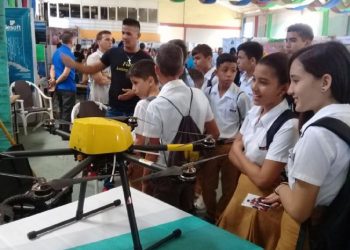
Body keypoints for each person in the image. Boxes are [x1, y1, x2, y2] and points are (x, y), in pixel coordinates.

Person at [263, 41, 350, 250]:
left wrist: (283, 188)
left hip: (316, 231)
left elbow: (300, 210)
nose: (290, 89)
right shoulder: (345, 115)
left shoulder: (318, 134)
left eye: (295, 80)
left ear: (325, 82)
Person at [218, 52, 299, 250]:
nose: (254, 87)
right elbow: (231, 154)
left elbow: (265, 179)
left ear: (284, 88)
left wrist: (238, 151)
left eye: (263, 82)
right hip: (242, 190)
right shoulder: (255, 110)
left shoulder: (288, 124)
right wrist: (248, 164)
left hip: (265, 199)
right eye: (254, 79)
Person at [142, 43, 219, 212]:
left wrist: (145, 180)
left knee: (163, 219)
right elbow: (214, 133)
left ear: (156, 70)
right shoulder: (199, 95)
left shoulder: (156, 106)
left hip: (163, 174)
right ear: (182, 68)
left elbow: (153, 150)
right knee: (185, 215)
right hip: (190, 170)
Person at [61, 18, 151, 117]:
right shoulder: (113, 53)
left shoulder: (146, 58)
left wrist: (134, 92)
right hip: (114, 109)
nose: (124, 37)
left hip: (136, 111)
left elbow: (151, 85)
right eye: (123, 33)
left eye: (128, 34)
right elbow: (92, 69)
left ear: (138, 36)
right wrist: (74, 64)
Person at [198, 53, 251, 223]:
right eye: (225, 70)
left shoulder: (240, 96)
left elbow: (246, 122)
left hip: (230, 146)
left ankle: (221, 215)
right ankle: (210, 214)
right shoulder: (208, 92)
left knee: (230, 186)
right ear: (217, 70)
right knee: (208, 184)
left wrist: (238, 141)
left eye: (233, 70)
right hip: (211, 144)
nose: (229, 74)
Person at [127, 59, 159, 191]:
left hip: (143, 158)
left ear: (150, 81)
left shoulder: (142, 105)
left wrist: (130, 162)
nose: (133, 88)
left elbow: (139, 140)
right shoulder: (164, 100)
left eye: (135, 83)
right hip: (163, 159)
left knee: (138, 193)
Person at [50, 31, 76, 132]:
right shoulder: (69, 54)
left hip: (59, 88)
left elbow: (52, 68)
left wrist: (53, 80)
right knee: (67, 111)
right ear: (71, 40)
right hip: (68, 87)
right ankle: (65, 133)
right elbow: (65, 74)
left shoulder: (56, 52)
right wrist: (55, 82)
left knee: (61, 109)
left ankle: (61, 129)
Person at [86, 30, 112, 104]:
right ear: (98, 42)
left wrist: (105, 75)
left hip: (111, 100)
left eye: (111, 40)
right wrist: (115, 80)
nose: (110, 42)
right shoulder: (93, 57)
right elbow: (100, 80)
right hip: (98, 101)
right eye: (107, 39)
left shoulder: (112, 58)